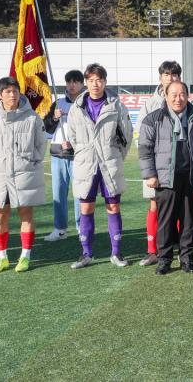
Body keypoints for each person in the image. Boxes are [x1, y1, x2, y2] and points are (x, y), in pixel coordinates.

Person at [65, 64, 133, 269]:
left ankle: (116, 252)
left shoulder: (116, 105)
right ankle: (86, 253)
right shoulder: (77, 107)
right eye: (91, 80)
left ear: (105, 81)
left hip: (109, 164)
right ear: (86, 82)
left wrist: (113, 155)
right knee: (86, 208)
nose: (95, 84)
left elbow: (126, 135)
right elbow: (74, 137)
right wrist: (85, 153)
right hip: (86, 165)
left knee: (113, 207)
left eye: (99, 80)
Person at [139, 81, 193, 274]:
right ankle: (164, 259)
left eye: (182, 94)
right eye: (174, 94)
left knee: (188, 220)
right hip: (164, 177)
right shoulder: (154, 118)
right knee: (166, 220)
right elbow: (144, 149)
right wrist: (150, 174)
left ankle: (186, 258)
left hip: (190, 176)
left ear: (188, 96)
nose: (178, 99)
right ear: (166, 96)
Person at [0, 77, 46, 273]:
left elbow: (40, 145)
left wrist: (30, 160)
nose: (12, 94)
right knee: (1, 216)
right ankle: (2, 258)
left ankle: (25, 256)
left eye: (15, 91)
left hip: (24, 173)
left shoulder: (32, 117)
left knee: (26, 214)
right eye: (7, 91)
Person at [133, 60, 186, 266]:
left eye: (175, 75)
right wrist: (150, 171)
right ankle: (152, 249)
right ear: (160, 78)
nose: (171, 79)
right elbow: (142, 139)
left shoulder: (185, 102)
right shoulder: (150, 104)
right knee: (155, 205)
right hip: (157, 169)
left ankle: (181, 248)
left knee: (182, 206)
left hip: (180, 169)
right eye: (167, 75)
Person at [42, 69, 84, 241]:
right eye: (69, 82)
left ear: (82, 84)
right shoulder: (58, 103)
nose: (72, 85)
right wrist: (54, 117)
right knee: (59, 193)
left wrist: (74, 144)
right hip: (58, 154)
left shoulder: (86, 102)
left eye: (75, 81)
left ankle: (82, 228)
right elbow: (47, 128)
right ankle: (60, 229)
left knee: (79, 193)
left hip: (79, 155)